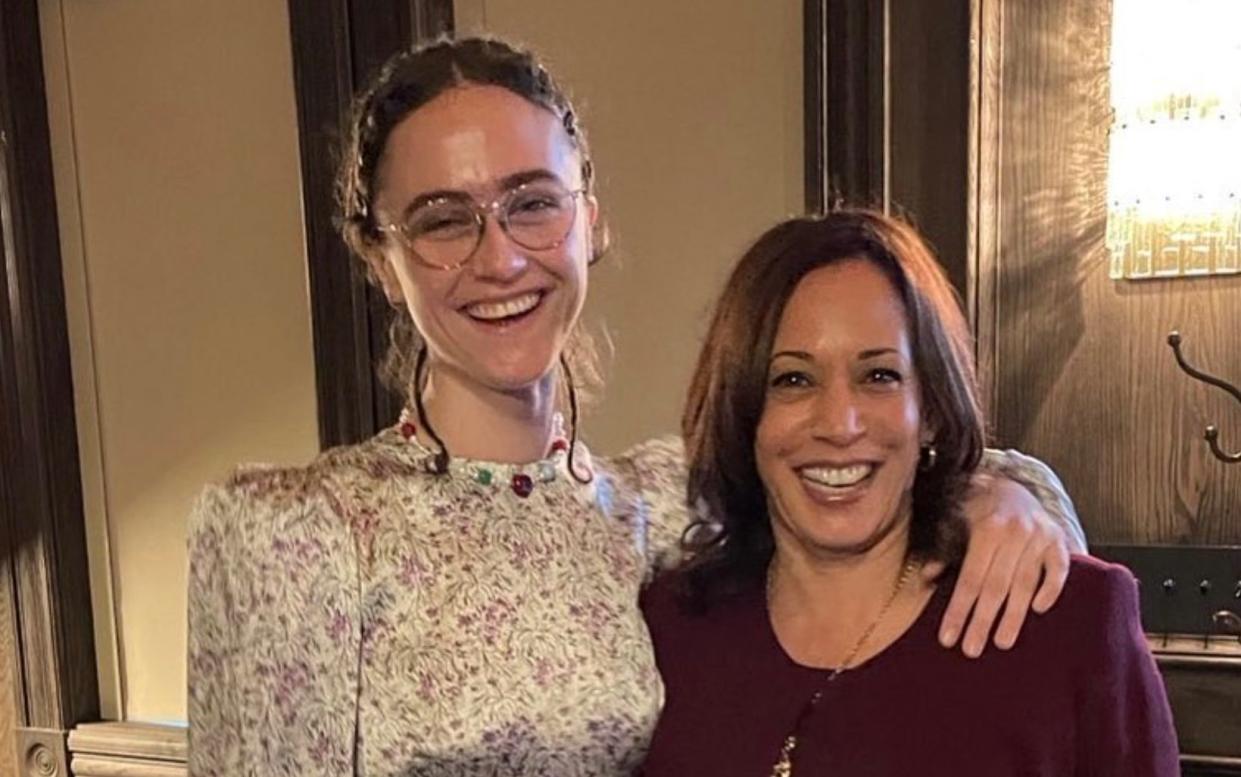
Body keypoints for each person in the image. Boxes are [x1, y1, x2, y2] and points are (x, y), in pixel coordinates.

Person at [187, 38, 1086, 776]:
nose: (499, 259)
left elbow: (851, 455)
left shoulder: (660, 502)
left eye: (531, 204)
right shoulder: (294, 530)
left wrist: (1002, 493)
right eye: (442, 219)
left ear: (589, 221)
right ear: (381, 259)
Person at [640, 210, 1178, 776]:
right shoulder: (672, 630)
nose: (840, 424)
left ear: (931, 411)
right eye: (792, 380)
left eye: (880, 377)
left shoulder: (1070, 626)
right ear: (743, 411)